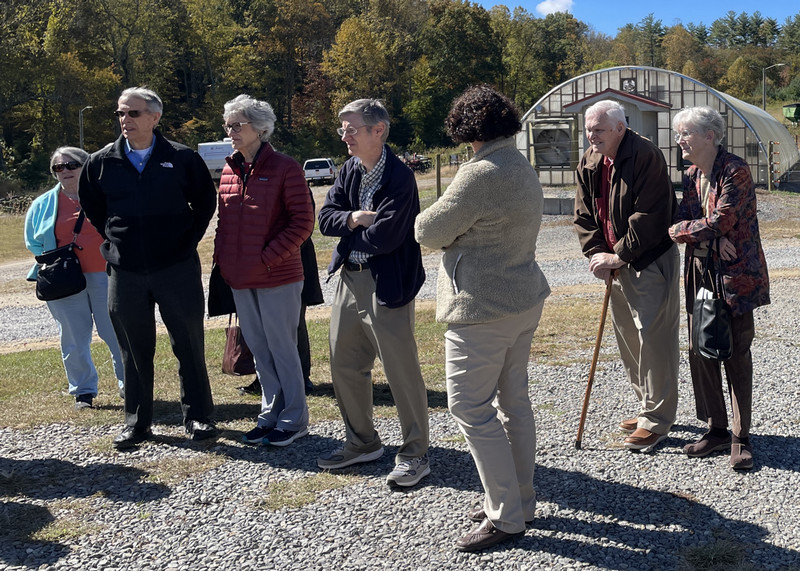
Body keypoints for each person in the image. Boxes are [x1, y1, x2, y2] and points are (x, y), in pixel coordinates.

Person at [415, 85, 551, 552]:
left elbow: (427, 231)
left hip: (482, 308)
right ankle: (518, 499)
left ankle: (505, 517)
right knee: (514, 403)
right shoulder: (519, 165)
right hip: (523, 297)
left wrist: (456, 237)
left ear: (464, 127)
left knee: (471, 408)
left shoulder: (480, 173)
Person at [79, 87, 217, 449]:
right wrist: (115, 242)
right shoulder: (101, 162)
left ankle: (199, 417)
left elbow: (204, 203)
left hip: (176, 268)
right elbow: (94, 207)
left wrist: (185, 244)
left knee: (188, 344)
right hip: (125, 273)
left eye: (134, 113)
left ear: (155, 118)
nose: (126, 120)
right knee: (133, 350)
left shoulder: (182, 158)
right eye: (121, 113)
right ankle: (137, 423)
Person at [317, 98, 430, 488]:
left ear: (377, 131)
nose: (344, 135)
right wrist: (351, 218)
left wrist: (350, 227)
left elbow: (387, 236)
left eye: (351, 128)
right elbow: (325, 218)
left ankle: (416, 454)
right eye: (342, 128)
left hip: (388, 282)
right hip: (350, 277)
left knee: (401, 371)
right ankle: (362, 443)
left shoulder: (399, 177)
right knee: (344, 362)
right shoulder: (349, 169)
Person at [574, 100, 680, 453]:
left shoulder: (645, 155)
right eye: (589, 129)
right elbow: (583, 212)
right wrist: (597, 256)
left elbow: (650, 214)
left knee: (654, 338)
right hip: (614, 263)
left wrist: (618, 255)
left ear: (620, 128)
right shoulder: (589, 159)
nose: (592, 136)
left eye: (599, 130)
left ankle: (657, 419)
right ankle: (647, 405)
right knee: (629, 340)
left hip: (646, 258)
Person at [668, 106, 770, 470]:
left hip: (735, 274)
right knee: (702, 348)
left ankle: (741, 437)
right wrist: (704, 239)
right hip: (701, 268)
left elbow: (721, 220)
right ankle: (716, 429)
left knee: (736, 351)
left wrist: (703, 234)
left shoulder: (735, 170)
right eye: (678, 133)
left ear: (709, 136)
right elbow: (681, 222)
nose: (679, 140)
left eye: (685, 133)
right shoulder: (692, 173)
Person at [214, 94, 314, 447]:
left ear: (260, 128)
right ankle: (270, 414)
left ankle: (294, 418)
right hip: (241, 279)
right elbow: (224, 224)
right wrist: (224, 262)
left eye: (237, 125)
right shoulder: (229, 168)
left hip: (278, 277)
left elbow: (303, 222)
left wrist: (268, 258)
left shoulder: (285, 167)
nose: (231, 132)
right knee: (258, 349)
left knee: (283, 348)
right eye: (228, 125)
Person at [24, 147, 125, 409]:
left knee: (117, 332)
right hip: (64, 281)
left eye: (72, 165)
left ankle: (130, 386)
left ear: (87, 165)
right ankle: (83, 391)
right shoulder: (43, 204)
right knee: (73, 337)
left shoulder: (106, 194)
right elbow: (33, 241)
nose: (66, 171)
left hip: (107, 274)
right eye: (59, 167)